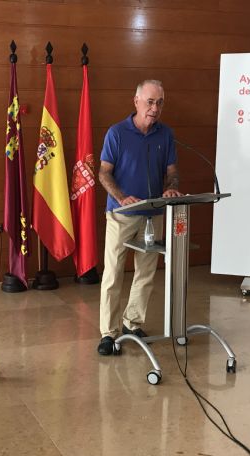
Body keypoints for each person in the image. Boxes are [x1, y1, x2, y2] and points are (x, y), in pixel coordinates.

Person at [97, 79, 182, 356]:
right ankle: (109, 333)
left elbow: (172, 171)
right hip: (121, 215)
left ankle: (132, 324)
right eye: (150, 102)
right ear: (136, 102)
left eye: (160, 103)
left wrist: (171, 187)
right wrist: (122, 197)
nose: (155, 108)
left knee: (145, 274)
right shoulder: (117, 133)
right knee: (113, 273)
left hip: (152, 215)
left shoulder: (165, 134)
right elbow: (104, 172)